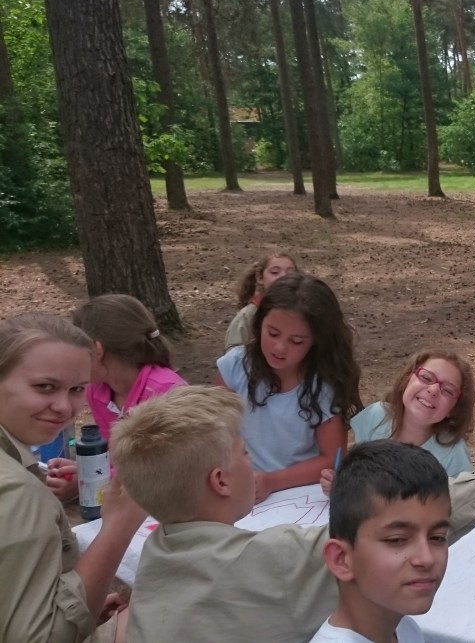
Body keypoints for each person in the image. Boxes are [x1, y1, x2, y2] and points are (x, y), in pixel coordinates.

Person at [111, 385, 475, 643]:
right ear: (220, 481)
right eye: (244, 453)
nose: (252, 461)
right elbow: (393, 523)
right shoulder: (267, 561)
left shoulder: (156, 552)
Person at [0, 313, 145, 643]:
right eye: (44, 387)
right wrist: (119, 526)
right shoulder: (16, 491)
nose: (65, 407)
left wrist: (82, 602)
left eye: (77, 389)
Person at [215, 273, 361, 502]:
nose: (279, 347)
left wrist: (271, 481)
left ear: (316, 341)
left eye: (296, 341)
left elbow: (332, 459)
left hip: (299, 496)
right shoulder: (234, 367)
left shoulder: (324, 386)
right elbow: (214, 434)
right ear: (259, 323)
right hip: (240, 490)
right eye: (272, 333)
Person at [312, 441, 450, 643]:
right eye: (397, 540)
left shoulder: (404, 628)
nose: (426, 558)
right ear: (341, 559)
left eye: (437, 537)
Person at [321, 350, 475, 494]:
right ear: (406, 381)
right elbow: (358, 474)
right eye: (426, 378)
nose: (433, 390)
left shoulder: (453, 452)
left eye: (448, 390)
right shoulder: (376, 417)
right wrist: (342, 485)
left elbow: (462, 501)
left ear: (454, 409)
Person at [73, 294, 188, 445]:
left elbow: (178, 457)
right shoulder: (96, 391)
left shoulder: (167, 394)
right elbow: (112, 452)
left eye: (76, 349)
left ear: (97, 350)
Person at [225, 251, 299, 349]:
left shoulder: (303, 311)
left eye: (290, 273)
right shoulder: (248, 316)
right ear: (260, 278)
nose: (283, 277)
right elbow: (234, 355)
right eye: (275, 272)